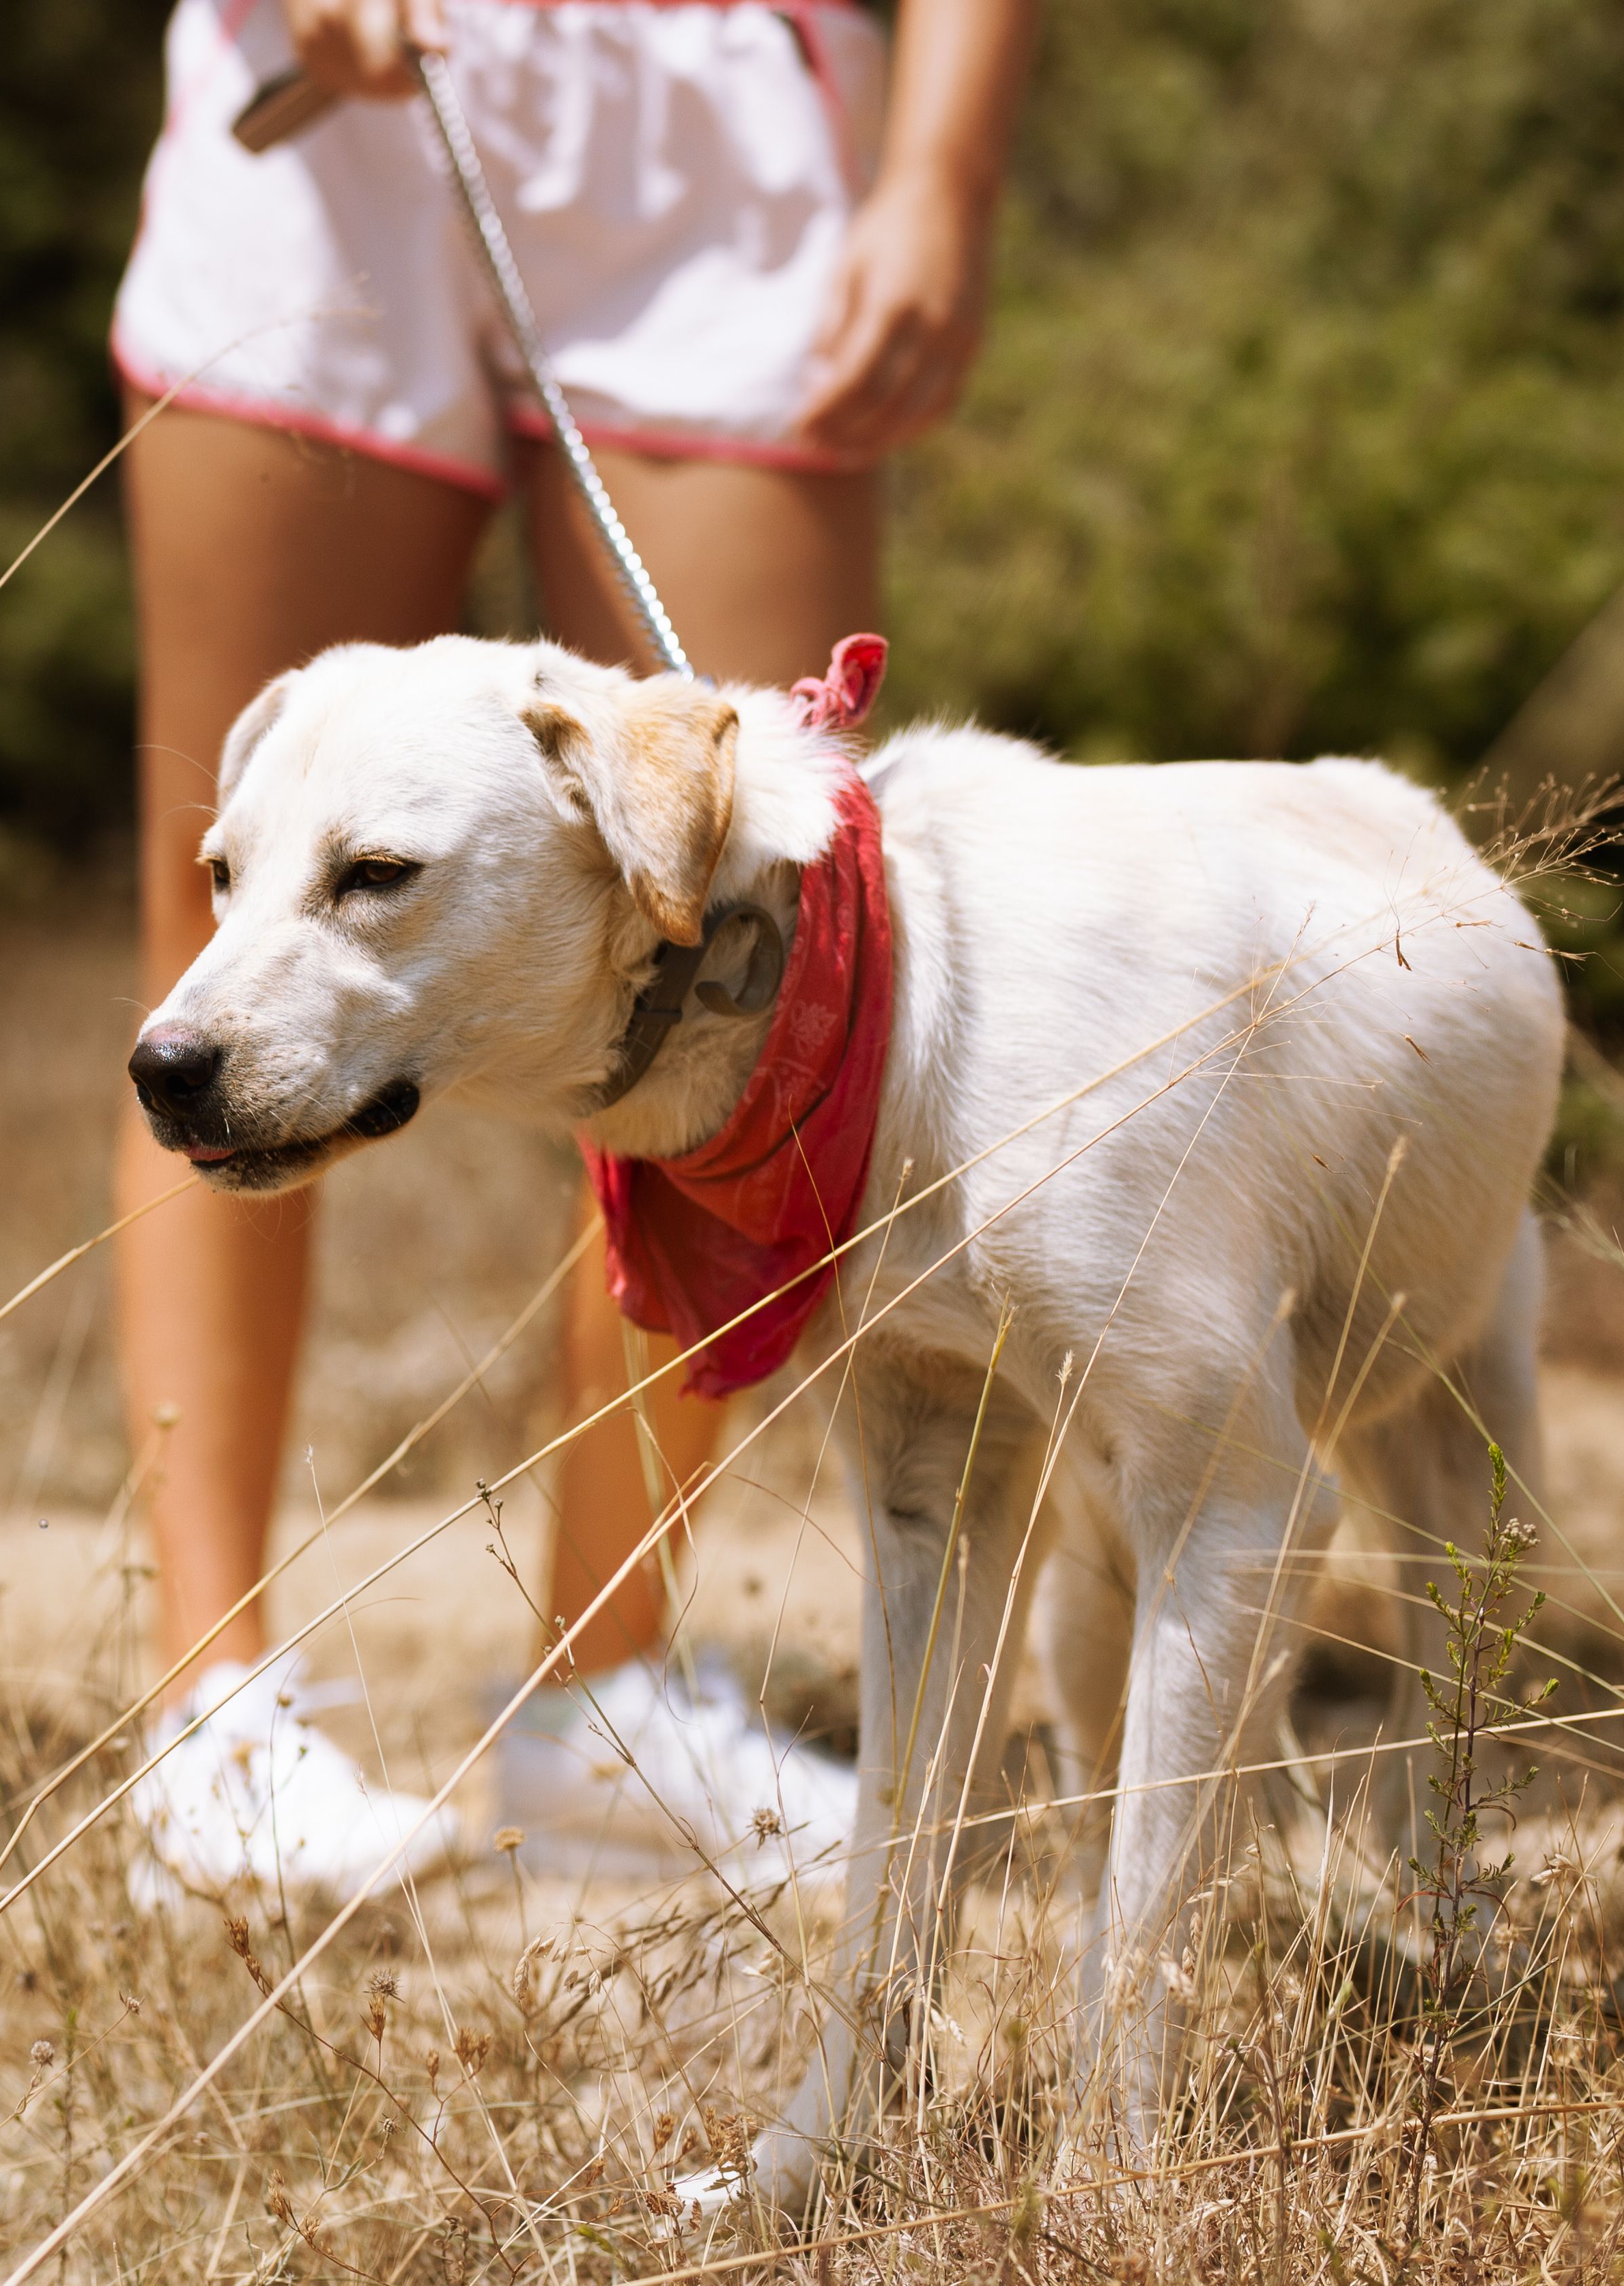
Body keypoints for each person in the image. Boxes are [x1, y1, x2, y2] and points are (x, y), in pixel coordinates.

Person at [115, 0, 1033, 1900]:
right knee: (226, 911)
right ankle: (212, 1725)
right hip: (314, 119)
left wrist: (942, 165)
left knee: (738, 950)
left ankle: (603, 1701)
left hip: (710, 109)